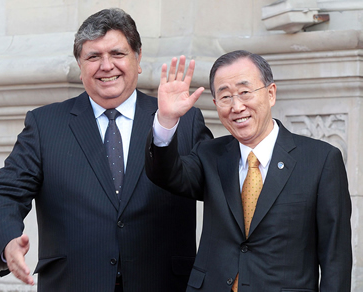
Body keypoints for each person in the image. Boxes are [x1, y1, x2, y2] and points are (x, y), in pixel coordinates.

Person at [0, 8, 212, 292]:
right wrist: (7, 241)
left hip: (164, 283)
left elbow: (217, 187)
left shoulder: (183, 121)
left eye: (117, 54)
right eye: (93, 57)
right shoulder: (46, 124)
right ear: (80, 67)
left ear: (138, 59)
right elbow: (2, 193)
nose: (106, 65)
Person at [145, 50, 352, 291]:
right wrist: (167, 120)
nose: (236, 106)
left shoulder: (320, 160)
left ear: (271, 93)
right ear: (215, 104)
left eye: (245, 92)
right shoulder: (209, 155)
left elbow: (335, 259)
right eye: (225, 96)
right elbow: (166, 173)